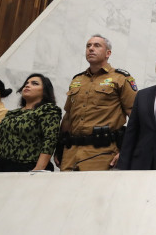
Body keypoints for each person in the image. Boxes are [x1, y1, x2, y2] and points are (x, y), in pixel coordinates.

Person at [58, 35, 136, 171]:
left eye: (96, 45)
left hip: (102, 153)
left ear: (108, 53)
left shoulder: (121, 78)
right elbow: (68, 117)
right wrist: (59, 147)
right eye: (88, 46)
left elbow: (135, 117)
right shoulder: (77, 79)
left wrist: (126, 151)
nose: (91, 49)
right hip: (71, 153)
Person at [0, 74, 62, 172]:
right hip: (2, 167)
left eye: (34, 84)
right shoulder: (12, 114)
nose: (27, 85)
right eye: (26, 83)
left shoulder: (48, 110)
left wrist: (38, 170)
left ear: (44, 91)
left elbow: (50, 141)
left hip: (29, 167)